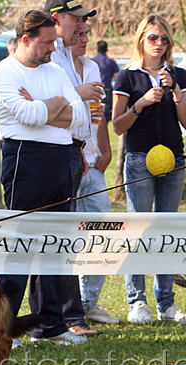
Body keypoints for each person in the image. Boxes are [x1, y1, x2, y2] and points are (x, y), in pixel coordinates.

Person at [0, 10, 89, 345]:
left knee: (55, 244)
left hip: (62, 160)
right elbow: (26, 116)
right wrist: (59, 103)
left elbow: (80, 117)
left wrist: (48, 109)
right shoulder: (4, 72)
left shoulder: (56, 70)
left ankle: (52, 325)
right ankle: (3, 328)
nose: (51, 48)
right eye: (46, 42)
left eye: (54, 42)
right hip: (25, 160)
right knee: (19, 244)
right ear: (26, 39)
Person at [112, 15, 186, 325]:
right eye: (153, 38)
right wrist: (141, 103)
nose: (159, 44)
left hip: (173, 159)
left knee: (167, 230)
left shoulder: (179, 74)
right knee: (138, 229)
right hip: (139, 159)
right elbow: (118, 126)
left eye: (165, 39)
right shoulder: (126, 78)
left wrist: (174, 92)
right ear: (141, 40)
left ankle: (166, 303)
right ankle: (137, 302)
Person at [43, 0, 102, 338]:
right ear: (57, 18)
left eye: (84, 23)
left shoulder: (69, 56)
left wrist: (85, 149)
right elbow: (48, 104)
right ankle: (62, 317)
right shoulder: (49, 55)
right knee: (56, 237)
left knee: (66, 238)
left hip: (73, 151)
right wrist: (79, 95)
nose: (81, 28)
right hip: (52, 151)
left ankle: (68, 315)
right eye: (75, 20)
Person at [72, 25, 120, 325]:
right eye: (79, 33)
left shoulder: (91, 66)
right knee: (69, 239)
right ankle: (69, 309)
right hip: (69, 166)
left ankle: (89, 303)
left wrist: (104, 149)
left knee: (102, 235)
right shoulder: (54, 64)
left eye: (87, 33)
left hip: (94, 168)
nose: (85, 38)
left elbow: (97, 112)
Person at [90, 39, 119, 122]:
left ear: (97, 49)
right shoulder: (111, 62)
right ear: (107, 49)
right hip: (107, 90)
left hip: (94, 91)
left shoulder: (91, 61)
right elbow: (116, 77)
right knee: (105, 115)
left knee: (95, 115)